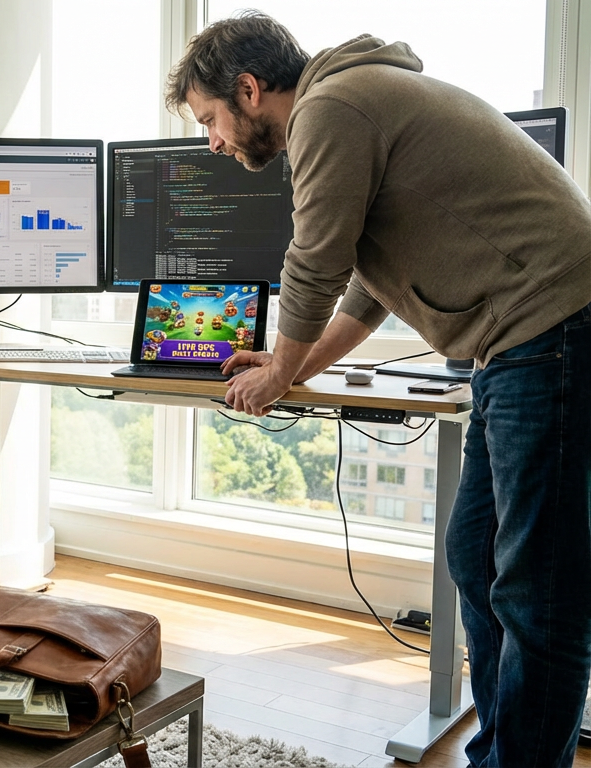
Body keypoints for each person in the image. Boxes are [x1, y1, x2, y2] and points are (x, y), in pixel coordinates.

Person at [165, 11, 591, 767]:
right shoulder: (356, 99)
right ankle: (505, 751)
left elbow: (316, 260)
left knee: (537, 593)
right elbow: (370, 288)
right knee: (477, 559)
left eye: (210, 121)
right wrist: (291, 363)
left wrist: (281, 373)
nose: (214, 142)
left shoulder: (333, 108)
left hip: (554, 329)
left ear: (250, 89)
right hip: (525, 343)